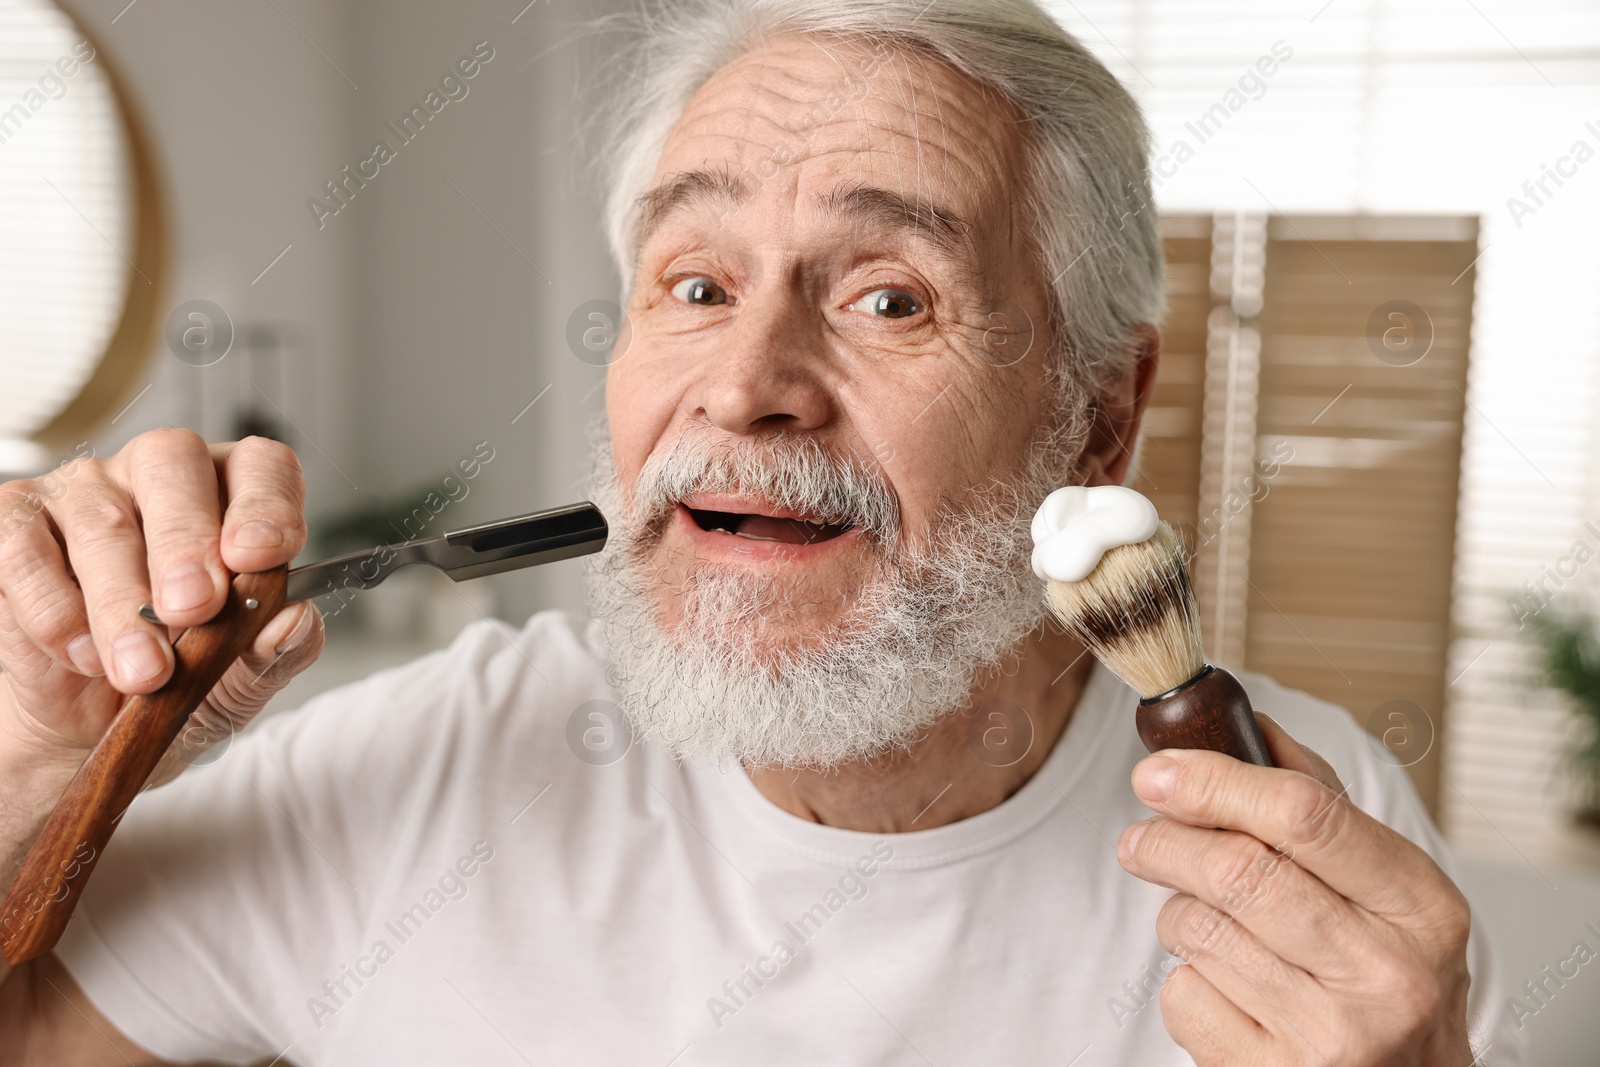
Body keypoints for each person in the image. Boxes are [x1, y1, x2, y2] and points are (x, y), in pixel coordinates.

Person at [0, 0, 1523, 1062]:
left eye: (888, 298)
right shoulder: (417, 767)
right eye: (696, 284)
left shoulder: (1302, 829)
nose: (744, 386)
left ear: (1097, 415)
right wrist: (21, 764)